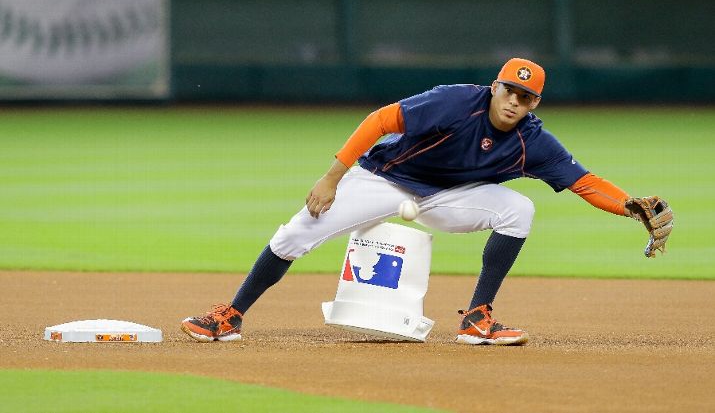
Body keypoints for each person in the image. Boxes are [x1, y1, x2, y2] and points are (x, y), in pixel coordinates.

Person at [180, 57, 671, 346]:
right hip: (384, 178)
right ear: (495, 86)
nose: (513, 102)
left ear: (534, 104)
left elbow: (585, 182)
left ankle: (477, 318)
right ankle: (231, 315)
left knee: (519, 209)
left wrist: (629, 206)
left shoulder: (534, 142)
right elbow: (380, 121)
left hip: (448, 198)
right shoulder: (455, 101)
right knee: (296, 233)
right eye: (509, 90)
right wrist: (332, 177)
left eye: (525, 97)